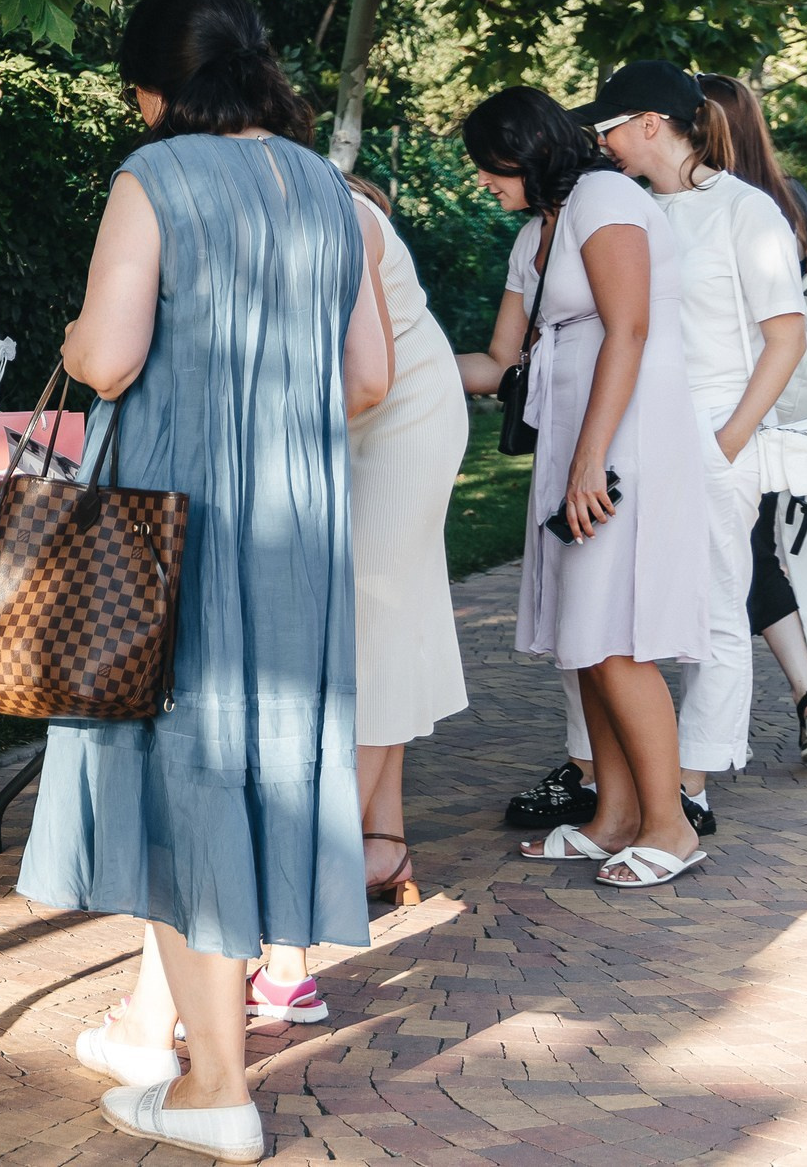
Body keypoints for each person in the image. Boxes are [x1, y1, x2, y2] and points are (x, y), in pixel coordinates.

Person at [24, 0, 391, 1164]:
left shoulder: (154, 180)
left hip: (174, 518)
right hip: (293, 518)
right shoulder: (327, 188)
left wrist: (78, 343)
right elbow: (369, 378)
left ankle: (216, 1090)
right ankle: (172, 1040)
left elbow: (112, 359)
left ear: (152, 85)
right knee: (248, 774)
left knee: (181, 772)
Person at [456, 87, 712, 890]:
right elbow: (498, 362)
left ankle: (671, 825)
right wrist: (394, 366)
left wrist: (590, 459)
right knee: (584, 637)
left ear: (525, 150)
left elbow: (628, 328)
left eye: (489, 168)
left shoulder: (606, 197)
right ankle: (611, 816)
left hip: (622, 438)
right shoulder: (537, 231)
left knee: (615, 637)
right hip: (574, 440)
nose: (483, 184)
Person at [245, 174, 466, 1030]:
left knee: (374, 627)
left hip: (401, 414)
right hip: (366, 411)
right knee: (392, 617)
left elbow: (368, 377)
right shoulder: (292, 204)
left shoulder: (340, 210)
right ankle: (384, 841)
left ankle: (322, 875)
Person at [563, 62, 803, 832]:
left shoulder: (744, 209)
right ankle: (624, 779)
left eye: (608, 125)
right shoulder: (631, 208)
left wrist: (727, 439)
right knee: (619, 606)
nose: (600, 139)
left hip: (711, 429)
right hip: (638, 428)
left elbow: (786, 337)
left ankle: (692, 781)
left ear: (650, 123)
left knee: (718, 606)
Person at [698, 74, 807, 764]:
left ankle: (711, 734)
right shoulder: (791, 200)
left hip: (737, 405)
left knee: (746, 554)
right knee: (761, 549)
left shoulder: (723, 207)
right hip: (787, 406)